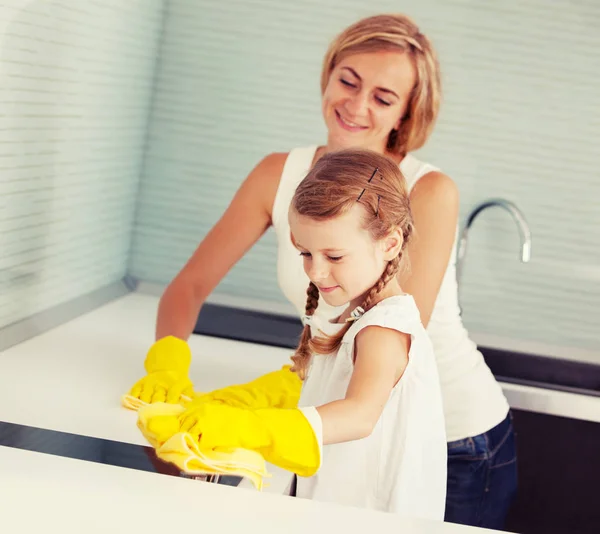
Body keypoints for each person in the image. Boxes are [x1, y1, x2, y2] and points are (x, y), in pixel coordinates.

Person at [127, 13, 517, 530]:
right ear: (329, 75)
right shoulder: (280, 175)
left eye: (383, 97)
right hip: (341, 424)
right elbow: (188, 288)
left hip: (452, 438)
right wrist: (167, 365)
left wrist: (262, 407)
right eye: (348, 81)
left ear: (405, 114)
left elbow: (390, 341)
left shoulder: (427, 190)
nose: (356, 106)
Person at [138, 148, 448, 520]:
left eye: (334, 257)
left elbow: (359, 415)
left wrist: (252, 428)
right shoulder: (356, 311)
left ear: (391, 244)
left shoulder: (385, 328)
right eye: (305, 253)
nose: (315, 272)